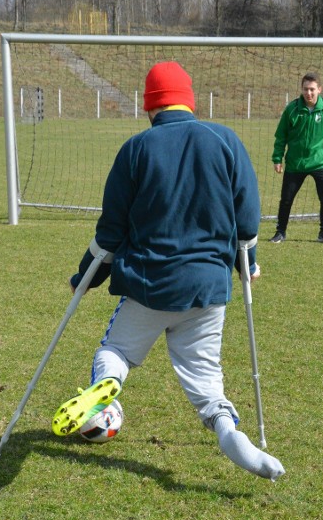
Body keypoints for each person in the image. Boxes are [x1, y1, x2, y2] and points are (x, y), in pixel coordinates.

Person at [51, 61, 285, 482]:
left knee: (116, 352)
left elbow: (110, 233)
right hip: (207, 289)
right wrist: (246, 265)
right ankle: (228, 430)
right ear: (190, 101)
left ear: (149, 108)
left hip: (148, 285)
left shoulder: (137, 149)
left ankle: (107, 388)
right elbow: (247, 223)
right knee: (207, 383)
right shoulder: (225, 139)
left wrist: (85, 276)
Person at [270, 72, 323, 244]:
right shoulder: (292, 109)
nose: (309, 93)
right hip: (295, 164)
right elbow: (281, 136)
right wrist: (277, 159)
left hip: (320, 162)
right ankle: (280, 232)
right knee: (286, 199)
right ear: (301, 89)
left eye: (312, 89)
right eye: (306, 89)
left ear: (319, 89)